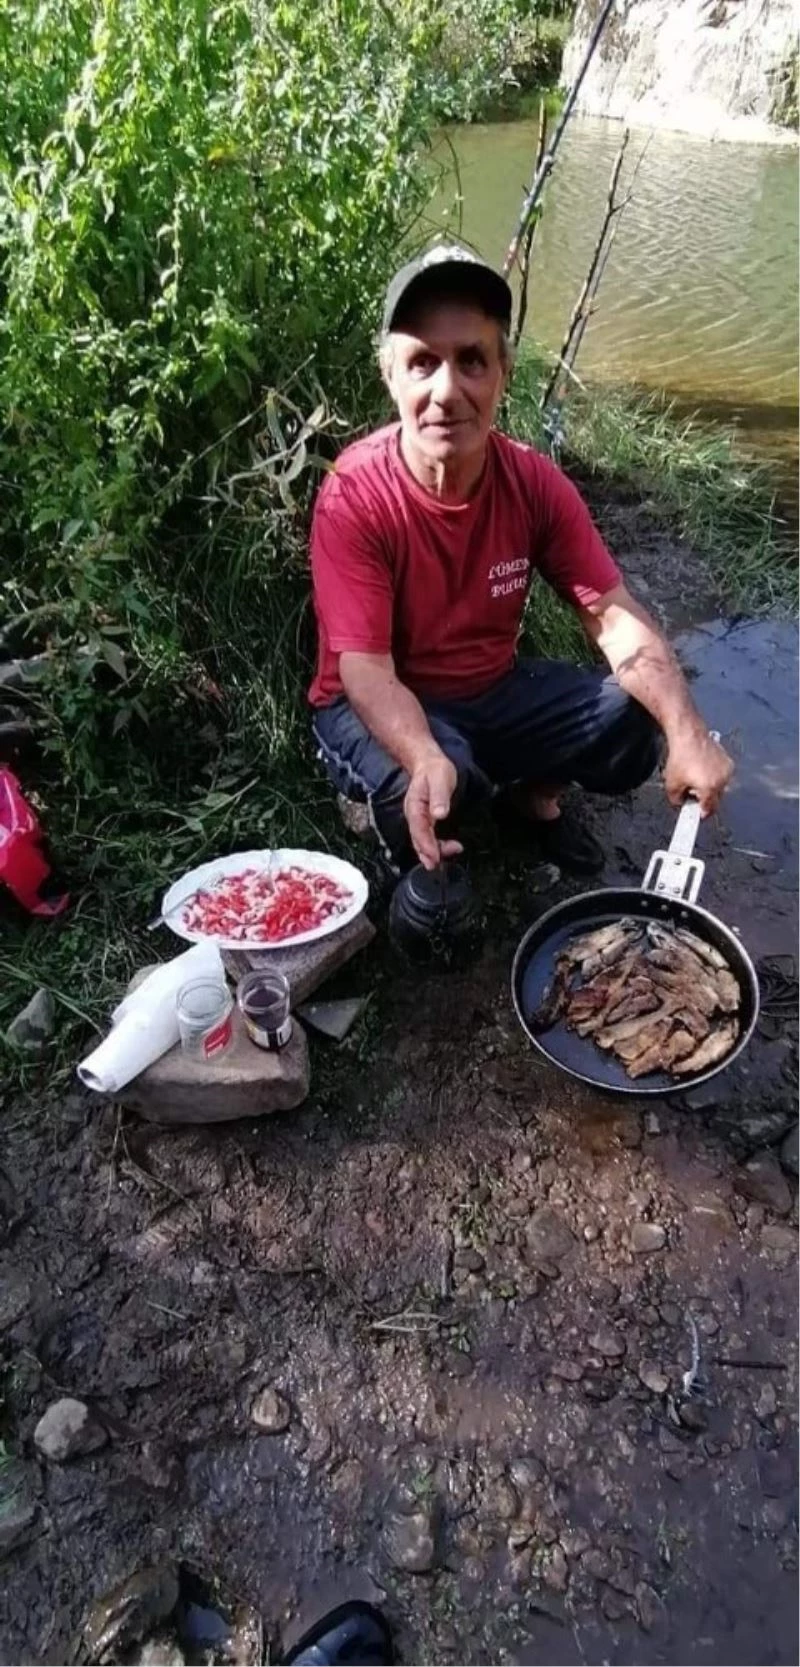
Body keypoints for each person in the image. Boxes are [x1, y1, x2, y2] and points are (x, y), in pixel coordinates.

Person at [308, 243, 733, 878]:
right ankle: (404, 821)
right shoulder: (354, 493)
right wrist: (424, 754)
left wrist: (688, 730)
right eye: (423, 362)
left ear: (502, 373)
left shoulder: (534, 483)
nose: (447, 391)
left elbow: (613, 616)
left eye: (471, 360)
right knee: (433, 785)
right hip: (375, 699)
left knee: (632, 718)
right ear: (390, 376)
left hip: (491, 691)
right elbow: (365, 671)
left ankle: (531, 794)